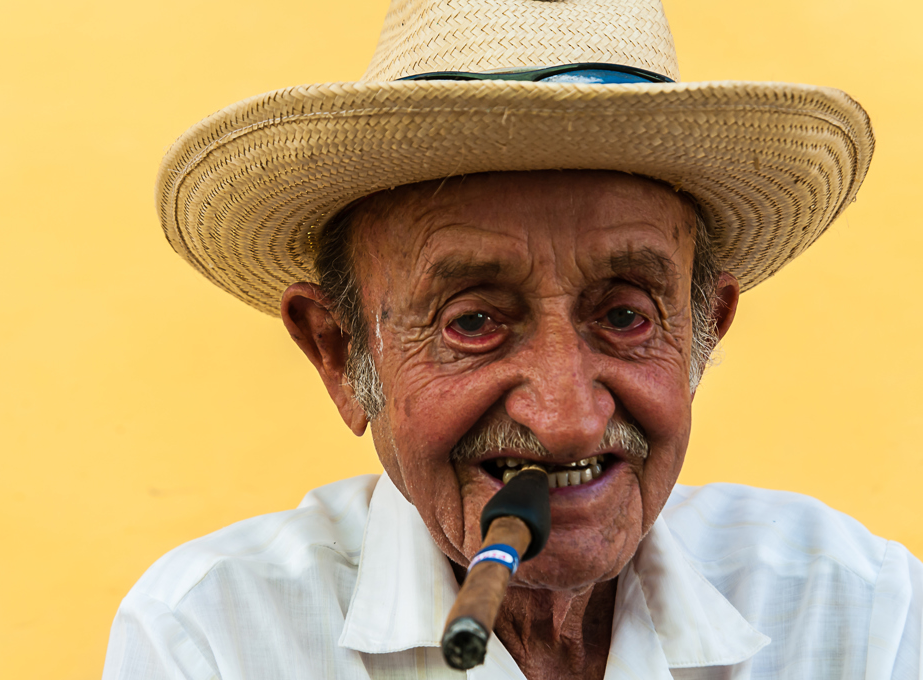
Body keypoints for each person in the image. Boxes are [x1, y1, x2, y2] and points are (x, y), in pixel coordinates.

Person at [103, 0, 922, 678]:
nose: (565, 419)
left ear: (704, 335)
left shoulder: (856, 611)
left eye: (627, 316)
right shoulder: (212, 638)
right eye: (473, 323)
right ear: (340, 353)